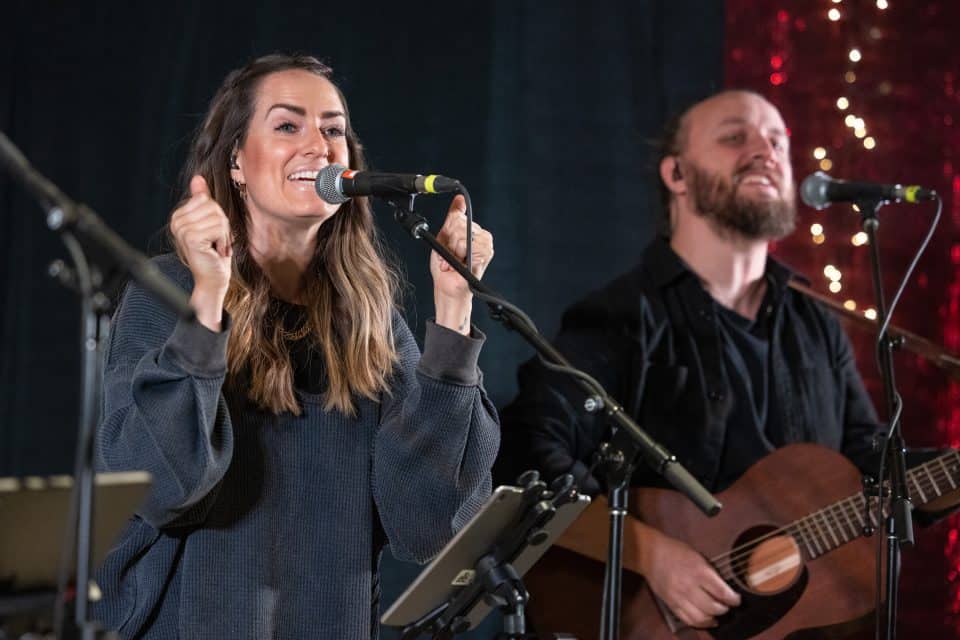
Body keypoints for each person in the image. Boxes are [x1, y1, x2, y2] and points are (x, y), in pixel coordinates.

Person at [93, 54, 499, 640]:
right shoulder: (169, 291)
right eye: (288, 126)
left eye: (334, 129)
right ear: (236, 160)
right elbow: (161, 487)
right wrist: (210, 298)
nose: (320, 145)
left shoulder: (371, 323)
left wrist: (454, 307)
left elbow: (430, 527)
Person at [495, 89, 887, 630]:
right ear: (676, 174)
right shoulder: (619, 316)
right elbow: (524, 458)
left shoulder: (817, 322)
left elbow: (872, 465)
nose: (764, 151)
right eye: (735, 137)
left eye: (777, 140)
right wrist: (651, 553)